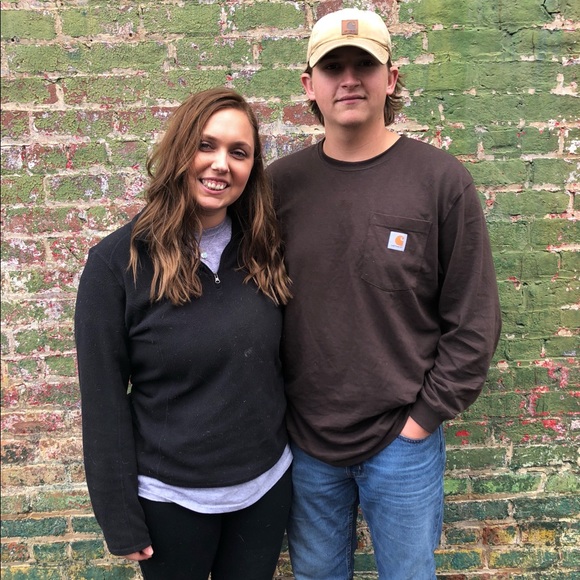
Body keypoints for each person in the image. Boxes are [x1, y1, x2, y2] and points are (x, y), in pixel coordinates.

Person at [268, 8, 501, 580]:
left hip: (403, 442)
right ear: (309, 85)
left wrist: (421, 420)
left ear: (390, 78)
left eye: (365, 65)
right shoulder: (278, 187)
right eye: (333, 67)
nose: (349, 79)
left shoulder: (440, 180)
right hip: (306, 443)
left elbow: (473, 320)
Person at [75, 87, 293, 580]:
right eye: (205, 145)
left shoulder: (263, 247)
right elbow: (103, 400)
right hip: (171, 502)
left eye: (239, 152)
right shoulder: (117, 264)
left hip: (265, 490)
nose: (221, 164)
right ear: (179, 150)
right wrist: (119, 517)